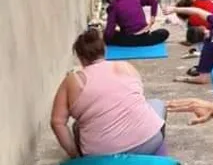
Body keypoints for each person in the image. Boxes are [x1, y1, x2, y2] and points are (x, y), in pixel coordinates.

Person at [50, 29, 166, 157]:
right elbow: (137, 100)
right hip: (148, 144)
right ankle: (153, 153)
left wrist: (75, 155)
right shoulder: (125, 67)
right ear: (104, 51)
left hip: (99, 155)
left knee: (78, 127)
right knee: (156, 104)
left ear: (81, 58)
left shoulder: (73, 81)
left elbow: (57, 122)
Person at [100, 0, 169, 47]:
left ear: (110, 0)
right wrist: (152, 17)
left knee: (107, 36)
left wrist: (105, 34)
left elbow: (109, 33)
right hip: (145, 37)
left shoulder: (112, 7)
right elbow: (153, 1)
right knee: (164, 32)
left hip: (129, 39)